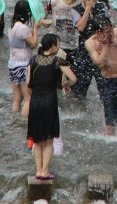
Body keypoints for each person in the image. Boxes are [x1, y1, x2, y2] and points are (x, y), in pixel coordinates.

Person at [28, 34, 76, 181]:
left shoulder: (33, 60)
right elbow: (73, 79)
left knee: (37, 140)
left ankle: (38, 171)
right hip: (50, 101)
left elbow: (29, 84)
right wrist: (65, 85)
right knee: (49, 140)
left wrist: (33, 97)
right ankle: (45, 172)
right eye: (58, 44)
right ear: (53, 46)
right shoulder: (58, 61)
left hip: (35, 101)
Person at [9, 0, 52, 117]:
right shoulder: (23, 28)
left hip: (12, 64)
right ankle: (24, 122)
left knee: (17, 98)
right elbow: (33, 44)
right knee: (28, 98)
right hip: (23, 64)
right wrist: (36, 29)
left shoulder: (11, 25)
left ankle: (14, 119)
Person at [71, 0, 109, 100]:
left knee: (105, 88)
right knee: (79, 90)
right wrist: (87, 9)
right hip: (84, 52)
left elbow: (108, 25)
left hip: (100, 51)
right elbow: (80, 27)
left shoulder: (102, 6)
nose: (92, 1)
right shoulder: (75, 9)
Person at [49, 0, 83, 72]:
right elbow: (43, 18)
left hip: (72, 46)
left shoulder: (79, 6)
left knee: (70, 75)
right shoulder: (54, 2)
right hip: (55, 45)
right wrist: (47, 22)